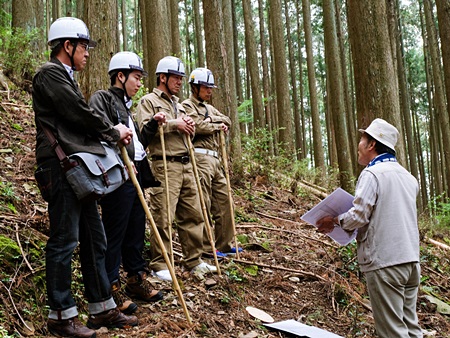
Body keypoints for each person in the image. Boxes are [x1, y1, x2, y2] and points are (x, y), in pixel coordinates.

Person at [33, 17, 138, 337]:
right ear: (68, 46)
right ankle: (61, 316)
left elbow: (77, 115)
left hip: (75, 169)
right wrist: (111, 131)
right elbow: (77, 112)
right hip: (60, 167)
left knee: (95, 237)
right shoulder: (50, 74)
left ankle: (101, 307)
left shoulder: (63, 76)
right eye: (84, 47)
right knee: (64, 239)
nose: (88, 53)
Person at [316, 118, 422, 338]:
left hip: (385, 262)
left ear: (371, 144)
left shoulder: (372, 174)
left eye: (362, 138)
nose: (359, 144)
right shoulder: (409, 178)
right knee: (410, 327)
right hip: (411, 261)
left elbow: (359, 215)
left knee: (392, 331)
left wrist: (333, 221)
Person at [88, 52, 165, 315]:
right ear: (120, 76)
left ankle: (135, 278)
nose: (139, 83)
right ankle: (111, 285)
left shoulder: (127, 106)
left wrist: (153, 125)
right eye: (136, 77)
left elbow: (138, 143)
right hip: (119, 176)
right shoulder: (103, 99)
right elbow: (99, 130)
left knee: (135, 231)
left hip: (137, 175)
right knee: (115, 232)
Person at [136, 56, 217, 282]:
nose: (180, 82)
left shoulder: (178, 104)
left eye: (182, 78)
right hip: (165, 163)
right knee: (163, 215)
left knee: (193, 212)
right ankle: (161, 262)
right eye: (176, 78)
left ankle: (194, 259)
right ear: (163, 77)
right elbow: (145, 131)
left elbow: (187, 127)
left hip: (187, 163)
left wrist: (188, 126)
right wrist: (174, 124)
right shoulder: (148, 101)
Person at [182, 67, 242, 257]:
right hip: (200, 158)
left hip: (216, 159)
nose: (210, 91)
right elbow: (196, 126)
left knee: (225, 202)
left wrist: (211, 119)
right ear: (195, 87)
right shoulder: (186, 105)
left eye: (210, 87)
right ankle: (208, 248)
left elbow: (227, 120)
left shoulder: (209, 108)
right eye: (206, 87)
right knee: (203, 202)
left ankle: (224, 244)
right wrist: (214, 125)